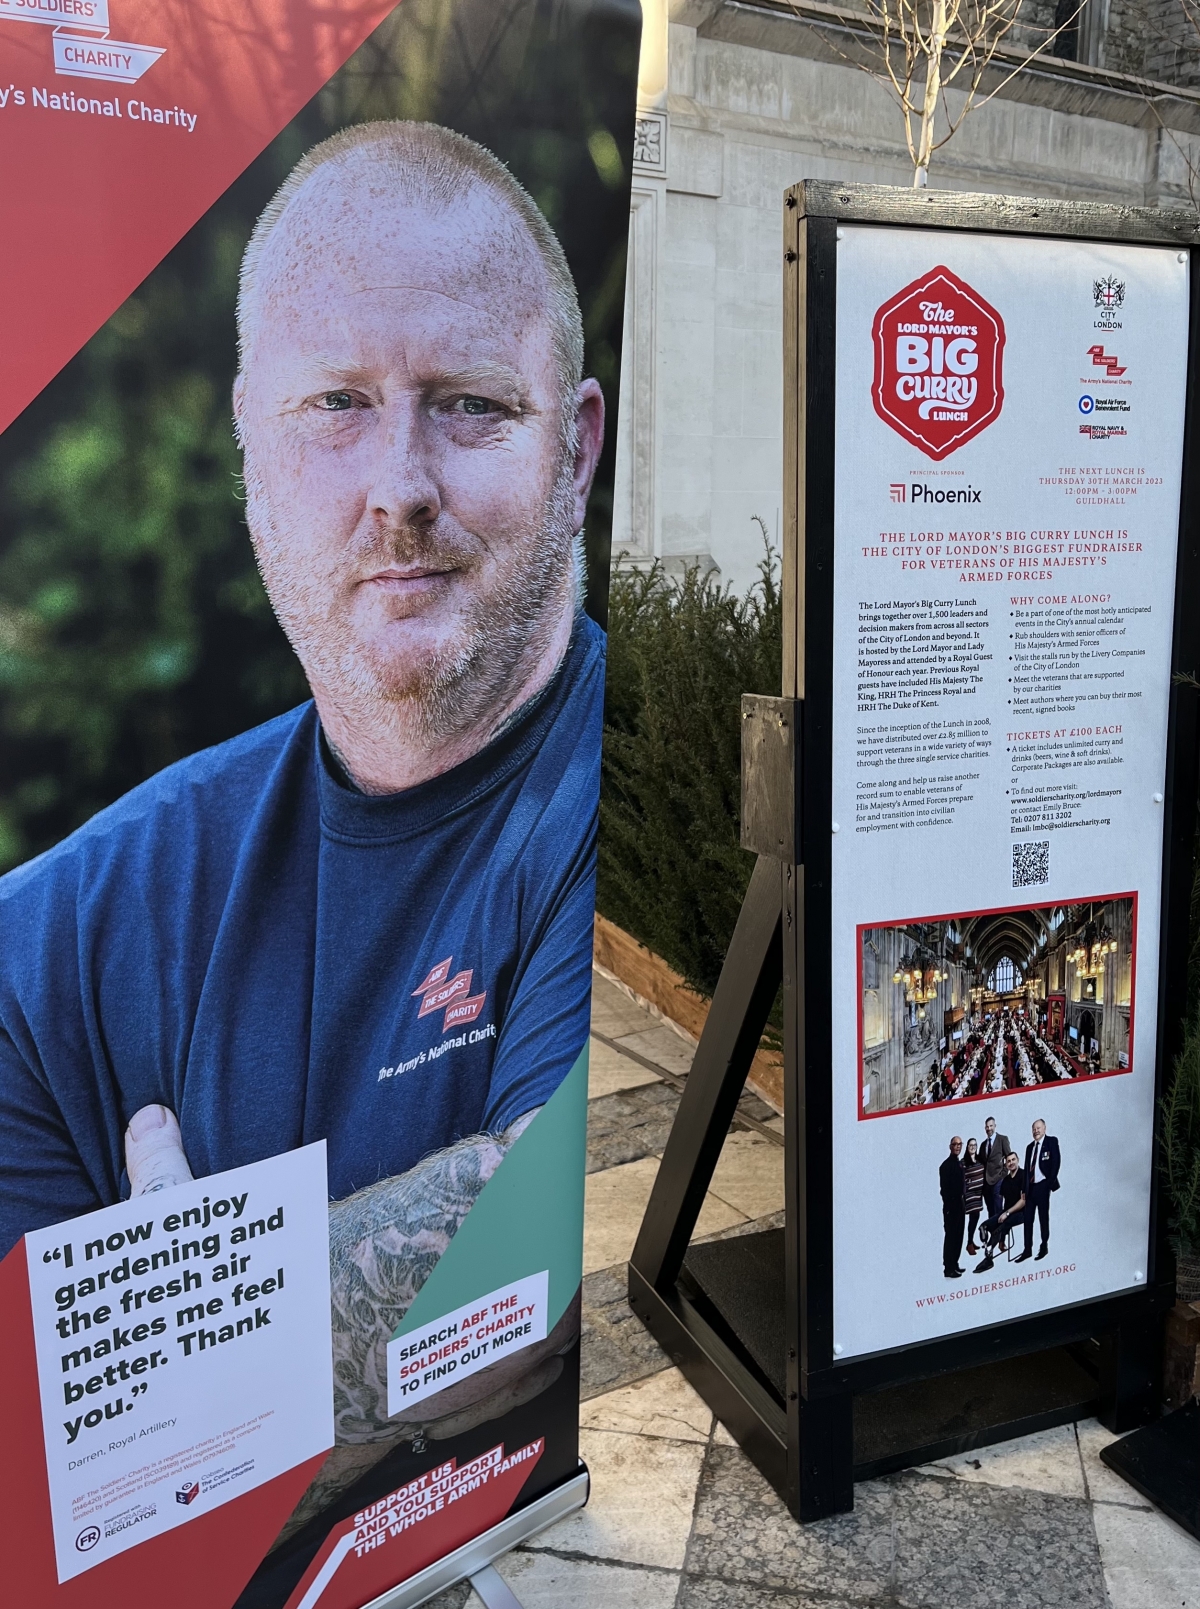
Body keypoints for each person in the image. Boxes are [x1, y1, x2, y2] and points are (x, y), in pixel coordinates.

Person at [0, 120, 606, 1519]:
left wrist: (171, 1316)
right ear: (248, 449)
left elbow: (535, 1256)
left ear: (576, 453)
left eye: (470, 404)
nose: (400, 489)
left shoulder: (605, 791)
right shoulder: (54, 940)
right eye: (335, 404)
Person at [1016, 1117, 1061, 1261]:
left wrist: (1049, 1183)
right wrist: (1024, 1189)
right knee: (1028, 1219)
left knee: (1043, 1217)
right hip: (1030, 1188)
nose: (1036, 1131)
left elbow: (1056, 1162)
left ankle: (1044, 1245)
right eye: (1034, 1129)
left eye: (1038, 1128)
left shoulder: (1051, 1142)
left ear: (1044, 1128)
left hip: (1043, 1186)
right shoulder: (1029, 1147)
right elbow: (1026, 1170)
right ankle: (1027, 1249)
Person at [974, 1150, 1026, 1273]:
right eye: (1008, 1161)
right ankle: (988, 1251)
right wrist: (999, 1216)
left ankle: (989, 1256)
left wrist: (1007, 1214)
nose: (1011, 1163)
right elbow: (1003, 1201)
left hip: (1022, 1213)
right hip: (1007, 1211)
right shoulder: (1005, 1180)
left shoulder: (1024, 1175)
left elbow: (1023, 1201)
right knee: (984, 1226)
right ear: (1005, 1164)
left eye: (1013, 1160)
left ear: (1018, 1160)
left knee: (1001, 1226)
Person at [939, 1136, 966, 1279]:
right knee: (951, 1236)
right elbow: (944, 1190)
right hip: (951, 1206)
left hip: (960, 1204)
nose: (957, 1147)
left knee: (959, 1235)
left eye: (960, 1144)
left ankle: (955, 1263)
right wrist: (949, 1208)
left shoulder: (959, 1163)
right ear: (950, 1146)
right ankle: (948, 1268)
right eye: (955, 1144)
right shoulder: (945, 1166)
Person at [978, 1114, 1010, 1218]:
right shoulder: (983, 1145)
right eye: (987, 1127)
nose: (989, 1128)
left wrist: (1003, 1174)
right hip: (987, 1182)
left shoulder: (1002, 1139)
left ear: (995, 1126)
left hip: (998, 1179)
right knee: (990, 1211)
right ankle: (993, 1229)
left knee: (998, 1209)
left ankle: (1000, 1229)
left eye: (991, 1126)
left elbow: (1009, 1157)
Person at [962, 1137, 985, 1257]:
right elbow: (961, 1178)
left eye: (974, 1145)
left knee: (975, 1217)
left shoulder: (980, 1159)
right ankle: (969, 1244)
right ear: (967, 1147)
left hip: (979, 1193)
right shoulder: (963, 1162)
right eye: (970, 1145)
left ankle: (970, 1241)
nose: (972, 1147)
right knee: (974, 1215)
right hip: (970, 1194)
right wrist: (967, 1185)